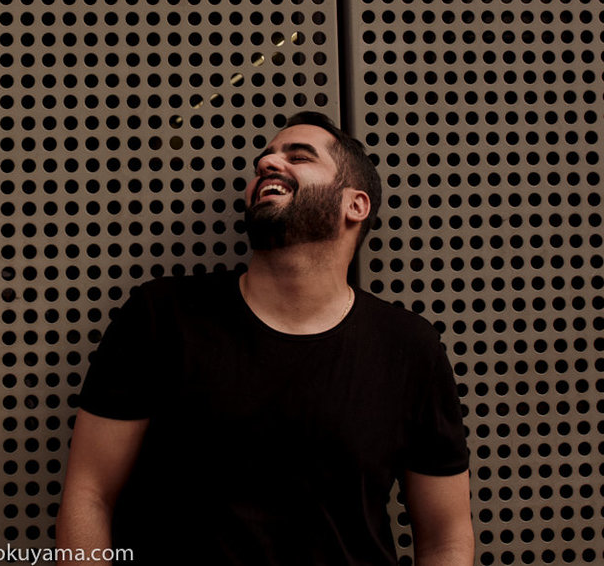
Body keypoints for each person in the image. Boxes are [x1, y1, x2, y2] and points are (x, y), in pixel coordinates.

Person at [56, 112, 473, 564]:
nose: (269, 164)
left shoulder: (409, 347)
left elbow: (446, 535)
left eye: (298, 156)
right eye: (264, 161)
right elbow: (89, 493)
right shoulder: (162, 316)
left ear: (355, 205)